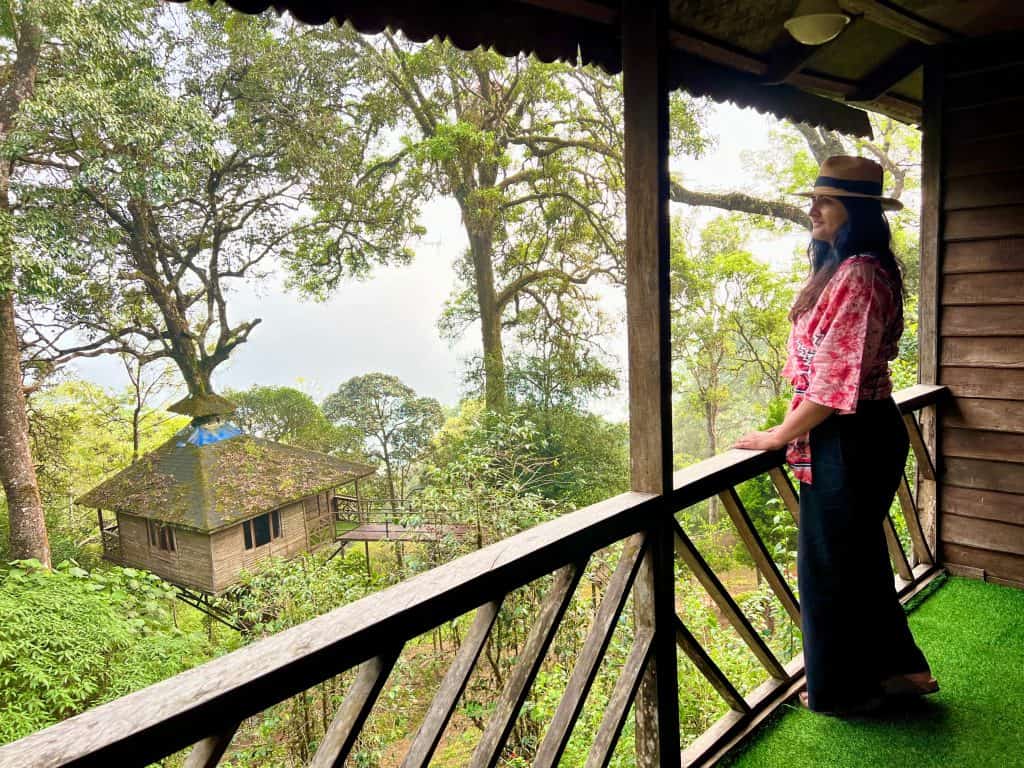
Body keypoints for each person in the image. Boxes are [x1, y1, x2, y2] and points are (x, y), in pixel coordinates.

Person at [734, 155, 938, 716]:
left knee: (826, 566)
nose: (813, 211)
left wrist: (779, 435)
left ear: (857, 212)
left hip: (850, 435)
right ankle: (900, 669)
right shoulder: (844, 269)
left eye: (825, 201)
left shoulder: (861, 275)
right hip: (851, 433)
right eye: (814, 199)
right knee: (859, 559)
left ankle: (842, 690)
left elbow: (831, 381)